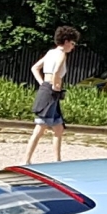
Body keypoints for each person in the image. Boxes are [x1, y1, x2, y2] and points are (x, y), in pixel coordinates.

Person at [26, 25, 80, 163]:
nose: (73, 47)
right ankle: (26, 160)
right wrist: (55, 85)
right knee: (40, 128)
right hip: (51, 92)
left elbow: (34, 68)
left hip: (47, 89)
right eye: (72, 44)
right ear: (66, 41)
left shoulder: (50, 52)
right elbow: (56, 72)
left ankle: (57, 160)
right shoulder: (62, 54)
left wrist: (42, 83)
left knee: (58, 128)